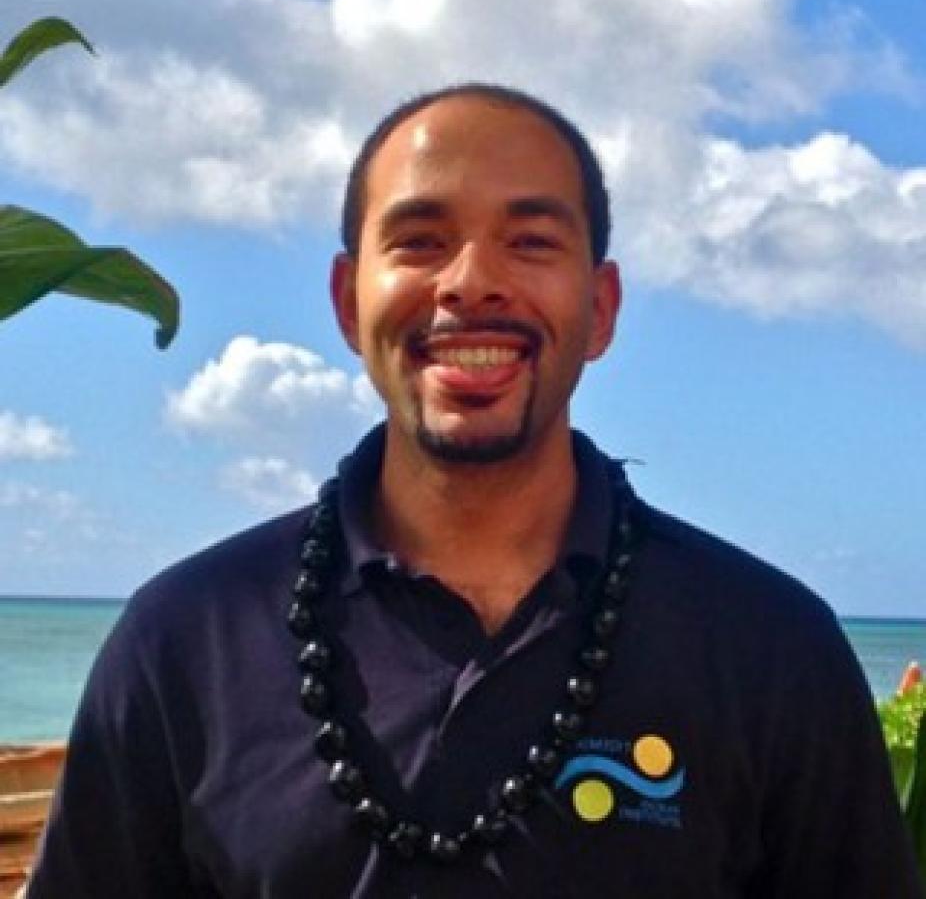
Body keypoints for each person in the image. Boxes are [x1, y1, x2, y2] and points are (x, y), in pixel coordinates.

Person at [26, 84, 923, 898]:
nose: (470, 282)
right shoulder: (185, 640)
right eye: (419, 241)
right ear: (347, 303)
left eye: (531, 242)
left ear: (602, 310)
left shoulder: (771, 649)